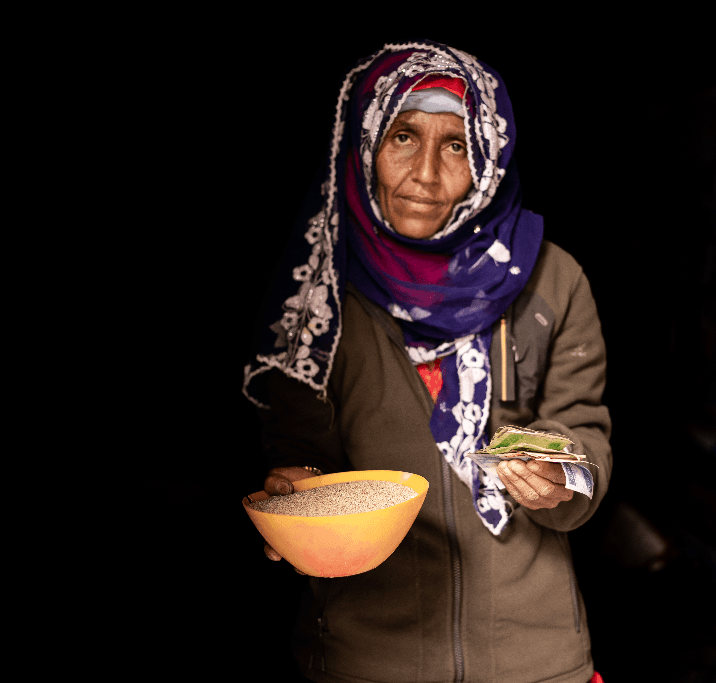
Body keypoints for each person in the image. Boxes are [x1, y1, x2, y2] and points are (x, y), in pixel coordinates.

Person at [244, 40, 611, 683]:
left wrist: (559, 472)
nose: (427, 175)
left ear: (490, 159)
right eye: (403, 136)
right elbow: (300, 452)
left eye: (458, 145)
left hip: (537, 659)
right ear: (362, 146)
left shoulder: (552, 280)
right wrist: (292, 496)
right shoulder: (318, 297)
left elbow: (583, 435)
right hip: (367, 659)